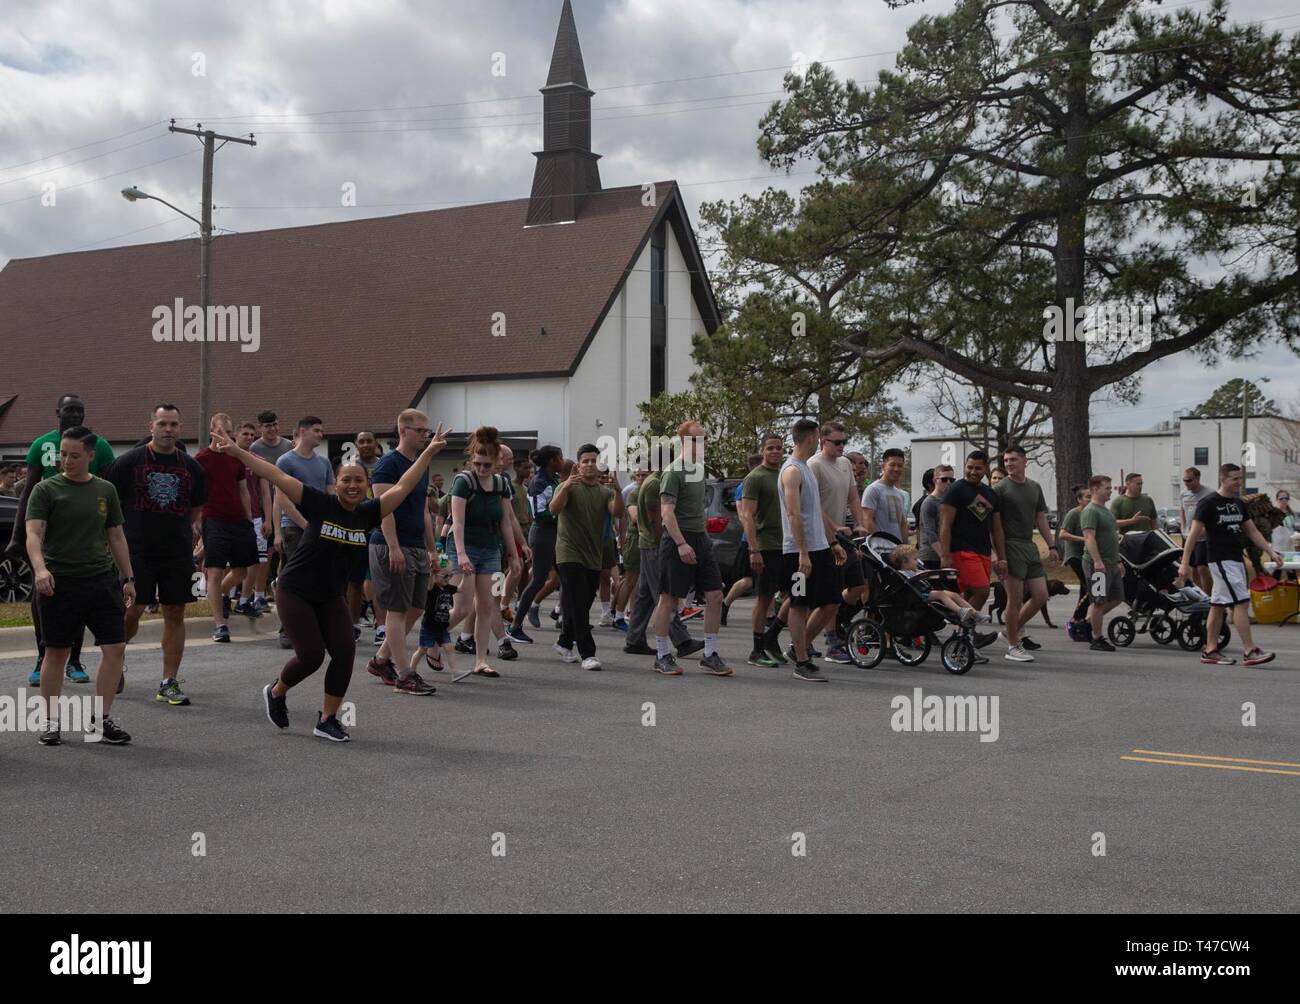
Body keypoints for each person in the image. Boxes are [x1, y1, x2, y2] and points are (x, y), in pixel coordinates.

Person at [216, 423, 448, 739]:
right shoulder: (319, 504)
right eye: (345, 480)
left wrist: (429, 451)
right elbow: (275, 475)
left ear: (367, 486)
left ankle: (327, 719)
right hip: (295, 590)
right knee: (311, 655)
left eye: (358, 481)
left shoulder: (368, 513)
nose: (352, 485)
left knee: (344, 650)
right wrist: (235, 451)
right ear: (335, 484)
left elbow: (404, 485)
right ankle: (276, 692)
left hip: (329, 596)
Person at [25, 426, 133, 745]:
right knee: (56, 652)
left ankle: (101, 719)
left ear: (90, 455)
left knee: (115, 648)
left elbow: (116, 535)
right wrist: (40, 569)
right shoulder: (46, 490)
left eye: (74, 455)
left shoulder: (105, 490)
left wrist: (128, 578)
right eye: (63, 455)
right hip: (60, 582)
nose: (67, 461)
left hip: (101, 580)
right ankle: (50, 721)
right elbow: (34, 535)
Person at [7, 394, 116, 686]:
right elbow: (28, 492)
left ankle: (75, 660)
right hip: (47, 528)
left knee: (80, 595)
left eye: (80, 411)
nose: (75, 415)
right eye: (69, 410)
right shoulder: (41, 445)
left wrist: (112, 535)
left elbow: (112, 490)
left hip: (86, 531)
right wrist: (17, 537)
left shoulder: (100, 446)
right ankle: (43, 657)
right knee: (43, 594)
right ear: (58, 412)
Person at [104, 404, 207, 706]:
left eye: (174, 424)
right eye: (162, 423)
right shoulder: (129, 462)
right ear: (151, 426)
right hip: (136, 551)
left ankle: (168, 682)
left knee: (175, 613)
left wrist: (183, 534)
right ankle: (114, 662)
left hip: (176, 552)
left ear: (180, 427)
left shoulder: (192, 467)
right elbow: (109, 501)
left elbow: (196, 509)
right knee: (132, 611)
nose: (168, 429)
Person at [363, 411, 440, 691]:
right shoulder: (388, 464)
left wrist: (433, 551)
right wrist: (393, 547)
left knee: (416, 607)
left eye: (426, 431)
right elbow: (384, 509)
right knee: (396, 609)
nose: (425, 436)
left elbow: (422, 510)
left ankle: (381, 659)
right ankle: (406, 674)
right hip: (390, 544)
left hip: (416, 545)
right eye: (420, 431)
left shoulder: (420, 463)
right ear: (403, 431)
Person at [650, 421, 733, 677]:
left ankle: (709, 655)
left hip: (700, 538)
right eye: (697, 439)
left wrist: (701, 538)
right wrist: (681, 543)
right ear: (684, 441)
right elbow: (666, 513)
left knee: (715, 596)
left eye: (704, 439)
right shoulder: (674, 471)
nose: (702, 444)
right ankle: (662, 654)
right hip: (678, 539)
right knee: (669, 600)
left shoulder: (698, 470)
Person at [439, 427, 521, 677]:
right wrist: (462, 555)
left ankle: (481, 660)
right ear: (471, 459)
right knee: (463, 608)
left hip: (491, 549)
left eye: (487, 464)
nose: (482, 469)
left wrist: (514, 555)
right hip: (462, 547)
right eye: (478, 463)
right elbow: (458, 522)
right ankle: (432, 639)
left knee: (487, 606)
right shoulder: (463, 481)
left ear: (496, 462)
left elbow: (506, 521)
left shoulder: (501, 484)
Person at [1179, 463, 1280, 666]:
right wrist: (1185, 563)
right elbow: (1194, 534)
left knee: (1217, 606)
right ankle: (1250, 650)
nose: (1239, 483)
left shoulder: (1238, 504)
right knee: (1241, 603)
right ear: (1223, 479)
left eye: (1240, 478)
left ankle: (1210, 650)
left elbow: (1252, 531)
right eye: (1235, 479)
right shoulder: (1208, 503)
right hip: (1220, 559)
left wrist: (1270, 551)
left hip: (1235, 560)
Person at [779, 418, 842, 682]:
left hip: (819, 547)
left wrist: (834, 542)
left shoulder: (805, 468)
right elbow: (793, 515)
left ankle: (798, 648)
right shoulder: (792, 470)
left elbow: (815, 512)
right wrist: (803, 553)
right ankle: (802, 662)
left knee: (831, 601)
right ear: (811, 438)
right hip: (798, 552)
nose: (819, 441)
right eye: (818, 437)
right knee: (799, 604)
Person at [550, 444, 624, 670]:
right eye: (585, 461)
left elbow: (618, 512)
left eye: (594, 461)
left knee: (580, 601)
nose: (590, 465)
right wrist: (565, 488)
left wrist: (619, 490)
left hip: (593, 554)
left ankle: (564, 642)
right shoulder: (567, 486)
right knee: (580, 603)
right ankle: (588, 653)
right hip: (568, 552)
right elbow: (554, 509)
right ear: (579, 465)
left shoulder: (605, 492)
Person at [623, 461, 701, 660]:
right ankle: (682, 641)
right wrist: (664, 545)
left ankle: (634, 639)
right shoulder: (654, 484)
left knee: (645, 596)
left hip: (648, 544)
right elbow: (655, 519)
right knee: (664, 594)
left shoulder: (655, 482)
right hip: (653, 545)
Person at [194, 413, 260, 643]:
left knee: (242, 570)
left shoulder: (236, 458)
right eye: (222, 430)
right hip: (214, 519)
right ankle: (220, 624)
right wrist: (198, 521)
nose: (226, 435)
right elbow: (195, 494)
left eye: (229, 431)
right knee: (214, 570)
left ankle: (219, 594)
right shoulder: (201, 458)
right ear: (212, 429)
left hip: (239, 520)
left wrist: (249, 519)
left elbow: (243, 490)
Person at [810, 424, 870, 663]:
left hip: (845, 538)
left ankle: (834, 622)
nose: (841, 446)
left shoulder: (844, 463)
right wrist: (833, 528)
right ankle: (828, 640)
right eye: (837, 442)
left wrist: (860, 522)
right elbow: (812, 504)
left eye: (844, 441)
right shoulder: (814, 465)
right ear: (823, 441)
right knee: (829, 596)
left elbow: (853, 497)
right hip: (823, 538)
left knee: (858, 585)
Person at [993, 444, 1058, 662]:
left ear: (1024, 461)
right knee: (1015, 599)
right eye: (1006, 461)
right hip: (1009, 547)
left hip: (1029, 546)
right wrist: (998, 555)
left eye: (1013, 460)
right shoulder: (1000, 489)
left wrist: (1052, 545)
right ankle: (1013, 645)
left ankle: (1010, 630)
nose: (1009, 464)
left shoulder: (1035, 487)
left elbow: (1040, 518)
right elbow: (994, 525)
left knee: (1041, 595)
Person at [274, 417, 336, 648]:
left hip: (320, 528)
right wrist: (304, 524)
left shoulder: (324, 463)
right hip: (294, 527)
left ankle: (315, 626)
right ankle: (286, 629)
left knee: (319, 577)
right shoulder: (285, 461)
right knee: (294, 579)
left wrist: (330, 523)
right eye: (317, 430)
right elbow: (282, 498)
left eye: (321, 430)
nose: (321, 435)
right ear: (303, 431)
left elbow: (331, 495)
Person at [936, 450, 1006, 618]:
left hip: (984, 550)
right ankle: (965, 627)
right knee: (982, 591)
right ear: (965, 466)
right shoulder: (956, 489)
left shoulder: (990, 493)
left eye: (978, 468)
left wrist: (1002, 558)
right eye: (970, 467)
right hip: (962, 549)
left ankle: (965, 637)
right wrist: (945, 555)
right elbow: (945, 524)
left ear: (986, 470)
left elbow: (997, 529)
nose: (973, 472)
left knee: (969, 594)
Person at [508, 445, 563, 643]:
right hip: (543, 535)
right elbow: (540, 514)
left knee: (566, 576)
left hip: (554, 534)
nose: (562, 461)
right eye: (560, 458)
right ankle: (515, 625)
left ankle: (565, 622)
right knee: (538, 579)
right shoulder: (540, 482)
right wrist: (561, 513)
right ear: (551, 461)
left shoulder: (553, 479)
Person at [742, 433, 788, 667]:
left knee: (797, 595)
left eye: (779, 448)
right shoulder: (755, 477)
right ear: (763, 450)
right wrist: (754, 549)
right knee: (764, 599)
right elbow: (747, 515)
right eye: (770, 448)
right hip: (767, 547)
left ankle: (772, 637)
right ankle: (756, 650)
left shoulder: (785, 474)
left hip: (788, 547)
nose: (775, 452)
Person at [1080, 475, 1125, 653]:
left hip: (1111, 563)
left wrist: (1118, 561)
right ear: (1095, 489)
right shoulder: (1090, 511)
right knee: (1098, 602)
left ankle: (1087, 623)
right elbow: (1089, 537)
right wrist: (1097, 561)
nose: (1110, 490)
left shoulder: (1105, 510)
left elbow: (1112, 537)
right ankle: (1096, 638)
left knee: (1117, 597)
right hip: (1096, 564)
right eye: (1107, 487)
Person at [233, 421, 272, 617]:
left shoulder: (258, 460)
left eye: (251, 435)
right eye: (245, 434)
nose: (248, 438)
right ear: (235, 435)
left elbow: (266, 493)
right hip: (230, 517)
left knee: (257, 560)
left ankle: (244, 600)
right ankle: (226, 595)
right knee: (226, 563)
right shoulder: (227, 457)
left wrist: (268, 520)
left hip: (255, 517)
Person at [889, 545, 983, 625]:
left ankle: (975, 614)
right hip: (917, 595)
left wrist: (941, 572)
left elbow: (927, 573)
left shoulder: (915, 571)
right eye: (915, 559)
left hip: (925, 592)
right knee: (940, 594)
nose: (917, 561)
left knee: (953, 594)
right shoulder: (903, 573)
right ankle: (959, 611)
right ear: (905, 562)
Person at [720, 453, 763, 627]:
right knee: (748, 580)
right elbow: (743, 516)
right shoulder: (744, 486)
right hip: (751, 540)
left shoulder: (764, 482)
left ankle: (768, 614)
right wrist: (753, 543)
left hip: (766, 539)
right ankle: (724, 604)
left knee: (763, 580)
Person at [1056, 484, 1093, 641]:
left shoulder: (1092, 513)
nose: (1091, 500)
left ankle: (1080, 623)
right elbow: (1062, 534)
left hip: (1087, 556)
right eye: (1087, 497)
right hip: (1074, 556)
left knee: (1086, 590)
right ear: (1079, 499)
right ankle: (1074, 621)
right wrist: (1083, 539)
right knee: (1089, 588)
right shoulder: (1074, 514)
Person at [1178, 467, 1215, 594]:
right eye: (1184, 480)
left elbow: (1215, 515)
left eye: (1189, 480)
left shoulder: (1209, 493)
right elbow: (1182, 510)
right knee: (1192, 569)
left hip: (1203, 538)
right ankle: (1201, 596)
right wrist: (1183, 527)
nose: (1186, 483)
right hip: (1188, 536)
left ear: (1198, 478)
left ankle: (1209, 596)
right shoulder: (1184, 494)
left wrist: (1206, 529)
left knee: (1202, 568)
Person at [917, 465, 954, 570]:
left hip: (946, 555)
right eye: (944, 479)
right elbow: (930, 533)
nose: (948, 482)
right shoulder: (929, 502)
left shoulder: (950, 502)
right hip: (930, 558)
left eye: (951, 480)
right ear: (935, 480)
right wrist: (943, 556)